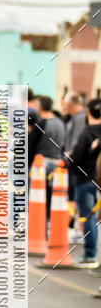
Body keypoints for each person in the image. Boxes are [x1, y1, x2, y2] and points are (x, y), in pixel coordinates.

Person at [71, 98, 101, 268]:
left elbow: (76, 158)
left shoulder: (86, 133)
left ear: (88, 112)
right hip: (97, 180)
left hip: (85, 178)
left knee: (87, 216)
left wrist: (69, 157)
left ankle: (90, 253)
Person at [36, 95, 66, 221]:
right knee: (54, 196)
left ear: (40, 107)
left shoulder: (42, 123)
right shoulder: (60, 122)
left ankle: (41, 221)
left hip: (42, 163)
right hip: (57, 163)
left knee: (39, 197)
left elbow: (31, 144)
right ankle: (50, 221)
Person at [63, 92, 87, 242]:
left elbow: (77, 141)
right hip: (75, 162)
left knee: (76, 197)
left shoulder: (80, 118)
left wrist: (70, 156)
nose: (64, 107)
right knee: (75, 197)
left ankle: (78, 230)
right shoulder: (75, 118)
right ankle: (76, 229)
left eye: (66, 104)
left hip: (77, 163)